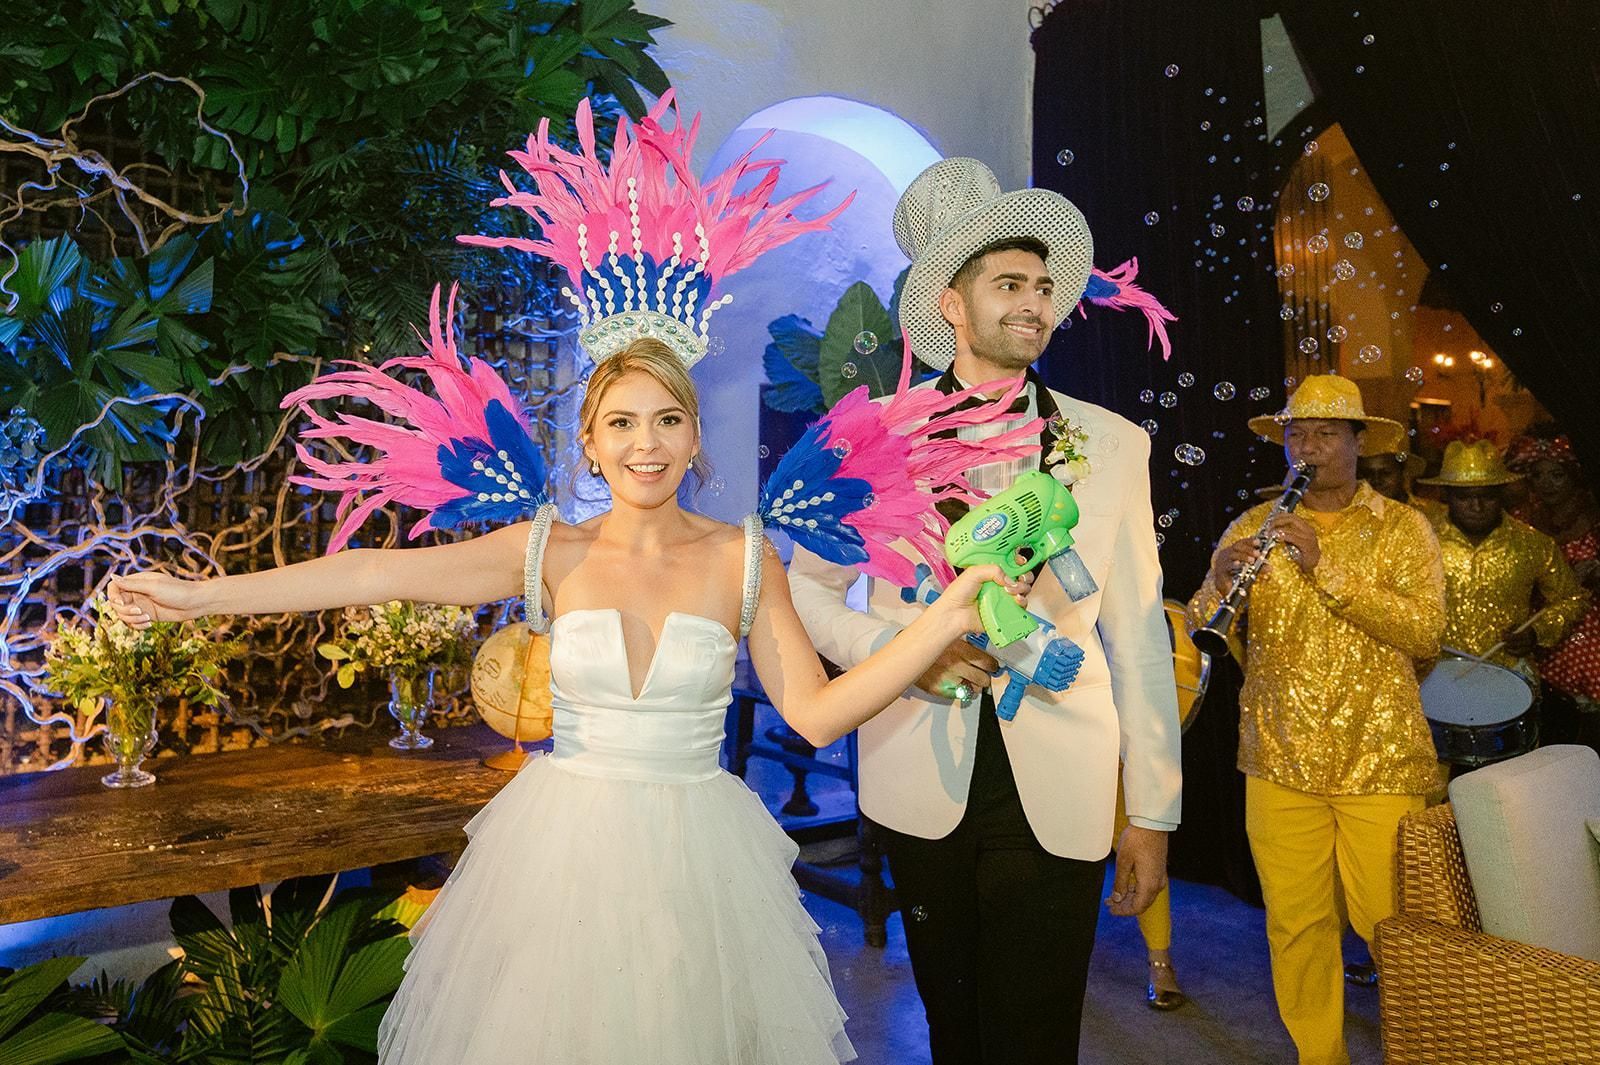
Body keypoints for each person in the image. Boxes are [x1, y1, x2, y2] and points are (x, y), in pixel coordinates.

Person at [108, 338, 1031, 1064]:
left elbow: (819, 714)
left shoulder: (744, 556)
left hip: (696, 867)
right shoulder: (548, 550)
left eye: (669, 420)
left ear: (696, 436)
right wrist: (201, 595)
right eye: (622, 423)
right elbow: (375, 567)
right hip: (557, 861)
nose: (647, 444)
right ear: (588, 440)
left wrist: (944, 616)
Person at [789, 157, 1183, 1064]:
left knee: (1039, 1031)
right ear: (952, 308)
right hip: (918, 775)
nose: (1035, 302)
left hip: (1066, 774)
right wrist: (904, 649)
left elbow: (1137, 638)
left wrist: (1153, 810)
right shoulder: (868, 437)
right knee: (952, 1027)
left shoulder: (1114, 445)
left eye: (1044, 287)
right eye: (1009, 283)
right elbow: (802, 590)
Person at [1186, 375, 1445, 1065]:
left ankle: (1420, 1048)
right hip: (1276, 754)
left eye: (1327, 433)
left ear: (1360, 443)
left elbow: (1425, 631)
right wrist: (1217, 576)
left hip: (1379, 756)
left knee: (1393, 923)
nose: (1308, 446)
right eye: (1297, 434)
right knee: (1297, 924)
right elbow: (1203, 622)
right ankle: (1320, 1055)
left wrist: (1326, 568)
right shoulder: (1251, 526)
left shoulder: (1403, 527)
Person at [1416, 440, 1586, 684]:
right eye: (1465, 498)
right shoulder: (1420, 539)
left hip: (1510, 680)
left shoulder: (1533, 544)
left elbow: (1572, 598)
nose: (1477, 506)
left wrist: (1537, 632)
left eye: (1487, 497)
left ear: (1501, 494)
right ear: (1447, 496)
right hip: (1436, 678)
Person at [1506, 428, 1600, 747]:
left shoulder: (1594, 521)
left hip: (1587, 629)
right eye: (1539, 475)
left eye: (1556, 475)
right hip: (1540, 633)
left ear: (1574, 478)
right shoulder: (1523, 523)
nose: (1546, 484)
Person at [1357, 449, 1444, 522]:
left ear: (1403, 474)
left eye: (1385, 473)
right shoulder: (1355, 514)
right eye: (1368, 474)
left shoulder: (1431, 513)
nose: (1376, 480)